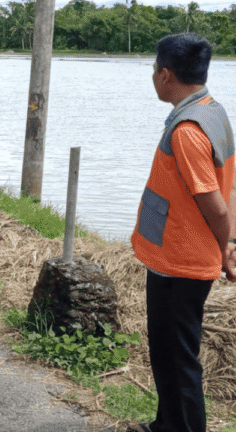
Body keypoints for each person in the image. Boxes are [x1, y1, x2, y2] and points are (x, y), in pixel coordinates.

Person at [128, 33, 236, 432]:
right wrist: (230, 243)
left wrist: (225, 246)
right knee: (168, 353)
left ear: (166, 74)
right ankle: (166, 424)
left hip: (181, 262)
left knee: (177, 357)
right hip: (181, 254)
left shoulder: (187, 131)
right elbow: (232, 183)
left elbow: (216, 204)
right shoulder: (212, 110)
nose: (154, 76)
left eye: (154, 69)